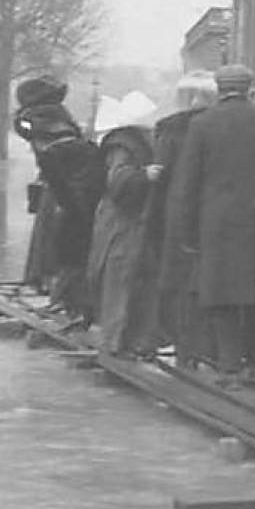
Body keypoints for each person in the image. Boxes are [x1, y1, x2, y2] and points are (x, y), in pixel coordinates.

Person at [166, 64, 255, 387]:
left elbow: (188, 181)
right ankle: (252, 360)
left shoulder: (202, 124)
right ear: (249, 88)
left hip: (215, 223)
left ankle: (229, 364)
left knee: (221, 294)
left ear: (220, 89)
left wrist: (187, 231)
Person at [14, 76, 104, 319]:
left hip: (56, 186)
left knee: (55, 242)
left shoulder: (31, 120)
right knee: (66, 243)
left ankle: (52, 288)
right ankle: (65, 296)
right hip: (64, 188)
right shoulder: (53, 120)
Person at [86, 93, 161, 358]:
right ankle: (116, 341)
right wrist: (145, 176)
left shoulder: (122, 143)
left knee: (129, 280)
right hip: (123, 222)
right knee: (121, 279)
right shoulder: (125, 146)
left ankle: (126, 340)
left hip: (124, 220)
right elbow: (117, 181)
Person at [149, 88, 215, 369]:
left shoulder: (170, 130)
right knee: (206, 283)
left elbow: (160, 177)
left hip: (175, 216)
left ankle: (183, 349)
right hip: (211, 216)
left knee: (178, 284)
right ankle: (209, 349)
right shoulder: (218, 129)